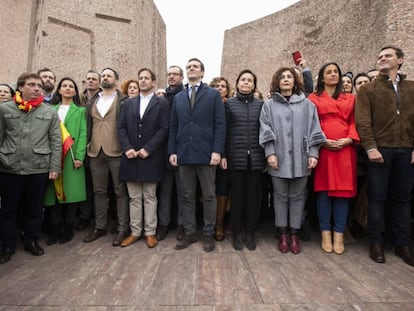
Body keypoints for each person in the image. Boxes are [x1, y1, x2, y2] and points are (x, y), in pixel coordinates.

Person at [355, 45, 414, 266]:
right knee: (377, 197)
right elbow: (362, 121)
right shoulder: (368, 89)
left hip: (406, 150)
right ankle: (376, 242)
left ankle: (403, 244)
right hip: (380, 150)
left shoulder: (411, 88)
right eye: (379, 56)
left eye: (387, 56)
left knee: (402, 198)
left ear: (400, 60)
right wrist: (370, 147)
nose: (382, 59)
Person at [260, 67, 326, 254]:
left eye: (290, 77)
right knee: (280, 197)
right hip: (278, 158)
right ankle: (282, 233)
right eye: (283, 77)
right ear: (277, 82)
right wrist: (270, 153)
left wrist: (313, 153)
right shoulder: (269, 105)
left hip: (302, 158)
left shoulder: (307, 105)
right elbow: (265, 130)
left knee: (298, 197)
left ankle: (294, 234)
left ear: (296, 81)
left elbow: (315, 130)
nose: (286, 80)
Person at [0, 72, 61, 264]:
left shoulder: (49, 111)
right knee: (9, 209)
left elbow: (56, 141)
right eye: (32, 85)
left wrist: (54, 167)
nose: (36, 89)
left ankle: (31, 240)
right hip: (10, 167)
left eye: (39, 86)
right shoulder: (5, 109)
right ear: (20, 87)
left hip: (38, 167)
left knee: (35, 209)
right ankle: (7, 244)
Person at [168, 58, 225, 252]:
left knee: (209, 195)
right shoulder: (179, 97)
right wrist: (173, 151)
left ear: (202, 72)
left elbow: (220, 124)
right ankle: (190, 232)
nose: (191, 69)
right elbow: (174, 126)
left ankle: (208, 233)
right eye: (188, 67)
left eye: (195, 66)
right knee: (187, 195)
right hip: (184, 152)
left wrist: (217, 150)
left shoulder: (213, 95)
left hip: (207, 153)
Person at [308, 62, 359, 255]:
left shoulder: (351, 98)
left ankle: (339, 233)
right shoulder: (313, 98)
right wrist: (322, 140)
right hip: (324, 149)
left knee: (342, 194)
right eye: (328, 72)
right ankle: (325, 233)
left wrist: (348, 139)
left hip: (345, 150)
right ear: (321, 77)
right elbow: (311, 123)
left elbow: (355, 121)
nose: (333, 75)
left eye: (335, 72)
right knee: (323, 192)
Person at [118, 68, 170, 248]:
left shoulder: (162, 103)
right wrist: (127, 148)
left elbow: (164, 128)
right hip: (130, 157)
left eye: (146, 78)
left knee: (149, 196)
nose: (143, 81)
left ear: (154, 82)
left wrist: (148, 148)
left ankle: (150, 232)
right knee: (133, 197)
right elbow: (121, 127)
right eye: (140, 78)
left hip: (151, 157)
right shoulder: (128, 104)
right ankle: (135, 232)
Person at [83, 67, 130, 246]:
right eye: (103, 75)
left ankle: (122, 228)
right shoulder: (92, 100)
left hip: (117, 150)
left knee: (120, 191)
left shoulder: (123, 100)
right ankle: (100, 227)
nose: (105, 77)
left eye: (109, 75)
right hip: (96, 151)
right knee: (99, 191)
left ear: (116, 81)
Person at [220, 69, 264, 251]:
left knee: (252, 198)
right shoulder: (229, 104)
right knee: (237, 197)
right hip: (234, 157)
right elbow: (223, 131)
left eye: (250, 80)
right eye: (243, 80)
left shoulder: (261, 105)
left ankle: (250, 233)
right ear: (237, 83)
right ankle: (236, 233)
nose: (246, 83)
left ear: (254, 85)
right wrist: (222, 154)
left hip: (255, 158)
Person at [43, 77, 87, 245]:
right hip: (53, 156)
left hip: (71, 157)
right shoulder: (49, 109)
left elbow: (83, 135)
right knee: (52, 195)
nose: (67, 88)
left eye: (71, 86)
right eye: (64, 86)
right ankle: (54, 230)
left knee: (70, 195)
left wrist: (80, 156)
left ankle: (68, 230)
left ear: (75, 91)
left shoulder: (80, 111)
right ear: (59, 90)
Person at [156, 65, 185, 242]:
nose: (172, 77)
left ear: (182, 77)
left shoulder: (185, 96)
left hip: (183, 151)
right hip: (164, 151)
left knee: (183, 192)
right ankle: (164, 224)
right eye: (169, 74)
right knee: (165, 191)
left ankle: (182, 224)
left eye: (175, 74)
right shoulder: (160, 97)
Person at [209, 76, 232, 241]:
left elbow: (227, 132)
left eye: (223, 86)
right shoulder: (206, 105)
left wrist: (223, 153)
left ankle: (219, 225)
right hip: (206, 153)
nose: (219, 88)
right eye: (216, 86)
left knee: (222, 190)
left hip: (225, 154)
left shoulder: (230, 106)